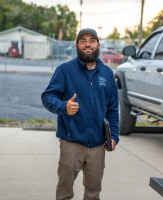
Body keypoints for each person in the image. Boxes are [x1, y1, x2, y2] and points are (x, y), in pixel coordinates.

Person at [41, 28, 119, 200]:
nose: (88, 44)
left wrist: (114, 136)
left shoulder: (107, 73)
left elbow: (113, 108)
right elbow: (47, 96)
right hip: (71, 142)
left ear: (98, 44)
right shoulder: (65, 70)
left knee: (93, 193)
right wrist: (63, 106)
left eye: (92, 40)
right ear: (77, 45)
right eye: (83, 40)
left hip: (98, 145)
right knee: (65, 192)